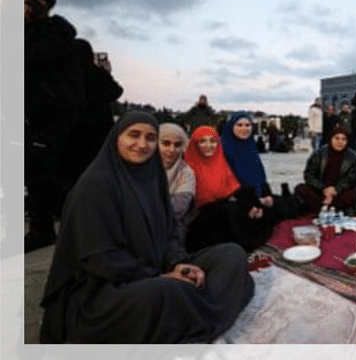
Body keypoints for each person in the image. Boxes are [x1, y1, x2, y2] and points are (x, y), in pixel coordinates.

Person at [39, 111, 254, 344]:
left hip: (157, 265)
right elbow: (100, 259)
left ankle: (193, 307)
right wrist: (160, 275)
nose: (142, 144)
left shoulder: (153, 179)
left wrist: (178, 263)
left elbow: (171, 229)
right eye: (134, 135)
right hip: (107, 287)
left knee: (232, 254)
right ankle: (206, 304)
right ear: (116, 138)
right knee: (168, 291)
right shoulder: (94, 186)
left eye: (150, 138)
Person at [24, 0, 84, 252]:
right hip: (32, 114)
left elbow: (34, 56)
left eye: (25, 2)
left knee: (43, 171)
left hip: (54, 114)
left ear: (41, 4)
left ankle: (43, 229)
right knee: (39, 171)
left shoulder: (57, 32)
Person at [184, 126, 274, 253]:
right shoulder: (187, 167)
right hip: (199, 218)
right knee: (229, 213)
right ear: (194, 144)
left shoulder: (220, 162)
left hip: (222, 211)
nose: (208, 145)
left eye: (213, 141)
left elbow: (234, 189)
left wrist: (253, 204)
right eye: (202, 141)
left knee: (257, 209)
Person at [65, 39, 124, 186]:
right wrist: (105, 72)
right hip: (96, 135)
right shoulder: (93, 74)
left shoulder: (64, 74)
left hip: (68, 135)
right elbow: (115, 91)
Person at [220, 112, 298, 221]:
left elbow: (260, 176)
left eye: (247, 125)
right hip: (239, 199)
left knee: (288, 207)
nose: (244, 128)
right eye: (239, 125)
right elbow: (227, 183)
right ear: (231, 127)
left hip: (257, 195)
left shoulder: (251, 148)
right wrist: (251, 201)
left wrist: (266, 194)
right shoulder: (224, 150)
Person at [294, 126, 356, 214]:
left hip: (339, 193)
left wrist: (335, 190)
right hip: (319, 191)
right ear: (331, 139)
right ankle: (319, 209)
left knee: (352, 194)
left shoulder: (353, 158)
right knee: (301, 189)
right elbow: (309, 175)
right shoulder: (318, 154)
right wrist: (323, 189)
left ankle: (330, 208)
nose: (340, 142)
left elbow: (351, 179)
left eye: (343, 139)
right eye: (337, 138)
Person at [158, 123, 196, 224]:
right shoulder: (140, 167)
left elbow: (178, 209)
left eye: (177, 145)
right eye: (166, 143)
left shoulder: (185, 172)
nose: (171, 150)